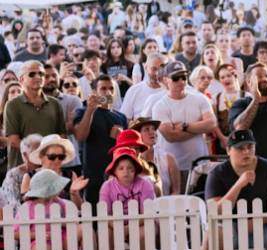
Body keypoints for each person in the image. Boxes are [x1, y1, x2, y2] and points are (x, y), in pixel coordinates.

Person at [151, 64, 218, 195]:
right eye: (176, 78)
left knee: (200, 206)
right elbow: (171, 137)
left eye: (184, 77)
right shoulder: (159, 106)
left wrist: (184, 126)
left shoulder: (200, 98)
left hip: (199, 164)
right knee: (176, 209)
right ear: (166, 80)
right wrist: (199, 126)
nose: (181, 81)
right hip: (172, 168)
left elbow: (212, 123)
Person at [4, 62, 69, 173]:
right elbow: (13, 140)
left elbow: (61, 136)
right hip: (23, 168)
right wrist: (39, 157)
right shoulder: (12, 105)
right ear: (21, 79)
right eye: (32, 74)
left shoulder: (55, 103)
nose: (38, 77)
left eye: (41, 74)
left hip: (51, 167)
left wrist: (49, 158)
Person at [72, 74, 126, 205]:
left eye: (111, 88)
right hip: (94, 177)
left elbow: (127, 148)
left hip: (118, 176)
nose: (107, 92)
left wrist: (121, 138)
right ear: (95, 91)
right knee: (95, 220)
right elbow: (80, 136)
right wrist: (90, 109)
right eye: (103, 88)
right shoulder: (83, 111)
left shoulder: (121, 117)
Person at [204, 130, 267, 203]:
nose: (246, 151)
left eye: (250, 147)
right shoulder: (217, 173)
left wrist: (256, 221)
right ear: (228, 150)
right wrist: (239, 184)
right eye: (240, 148)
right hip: (230, 223)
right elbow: (215, 211)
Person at [99, 145, 156, 212]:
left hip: (144, 223)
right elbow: (105, 217)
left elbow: (148, 215)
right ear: (114, 171)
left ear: (135, 169)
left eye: (130, 168)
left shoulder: (145, 185)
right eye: (121, 168)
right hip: (115, 223)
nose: (125, 172)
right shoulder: (107, 187)